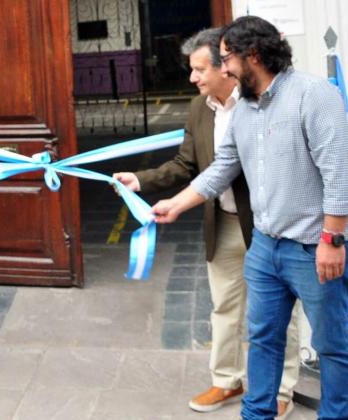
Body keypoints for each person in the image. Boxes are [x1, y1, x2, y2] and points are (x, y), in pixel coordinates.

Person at [151, 16, 348, 420]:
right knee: (263, 339)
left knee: (331, 345)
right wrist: (176, 204)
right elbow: (222, 167)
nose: (223, 67)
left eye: (227, 58)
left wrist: (332, 241)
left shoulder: (313, 95)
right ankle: (256, 415)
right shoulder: (245, 107)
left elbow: (339, 175)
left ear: (253, 55)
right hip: (265, 248)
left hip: (315, 247)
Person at [114, 28, 299, 418]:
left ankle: (282, 389)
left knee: (279, 310)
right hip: (223, 222)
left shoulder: (260, 101)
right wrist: (141, 180)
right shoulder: (200, 109)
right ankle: (227, 381)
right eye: (192, 69)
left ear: (226, 66)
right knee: (224, 307)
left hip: (268, 225)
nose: (192, 78)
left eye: (199, 69)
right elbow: (187, 164)